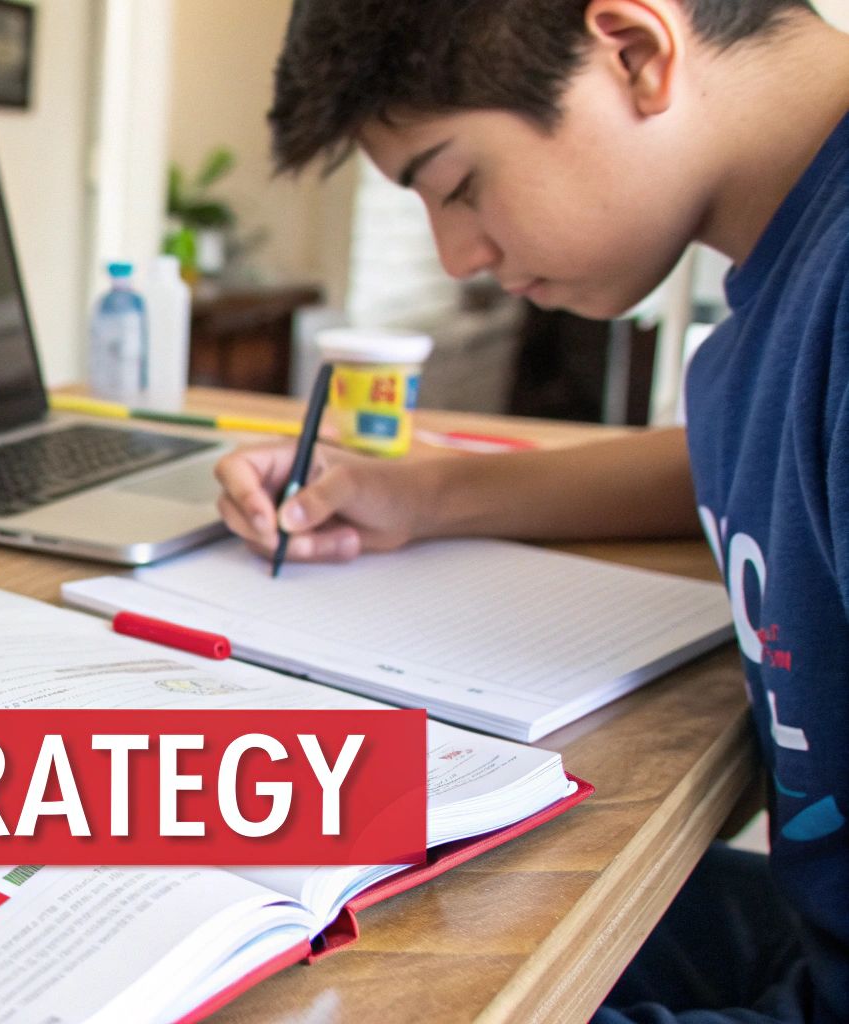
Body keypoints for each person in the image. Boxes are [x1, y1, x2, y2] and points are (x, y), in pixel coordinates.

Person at [220, 1, 849, 1020]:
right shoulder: (773, 311)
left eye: (456, 185)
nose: (458, 256)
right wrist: (417, 493)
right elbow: (765, 447)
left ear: (633, 52)